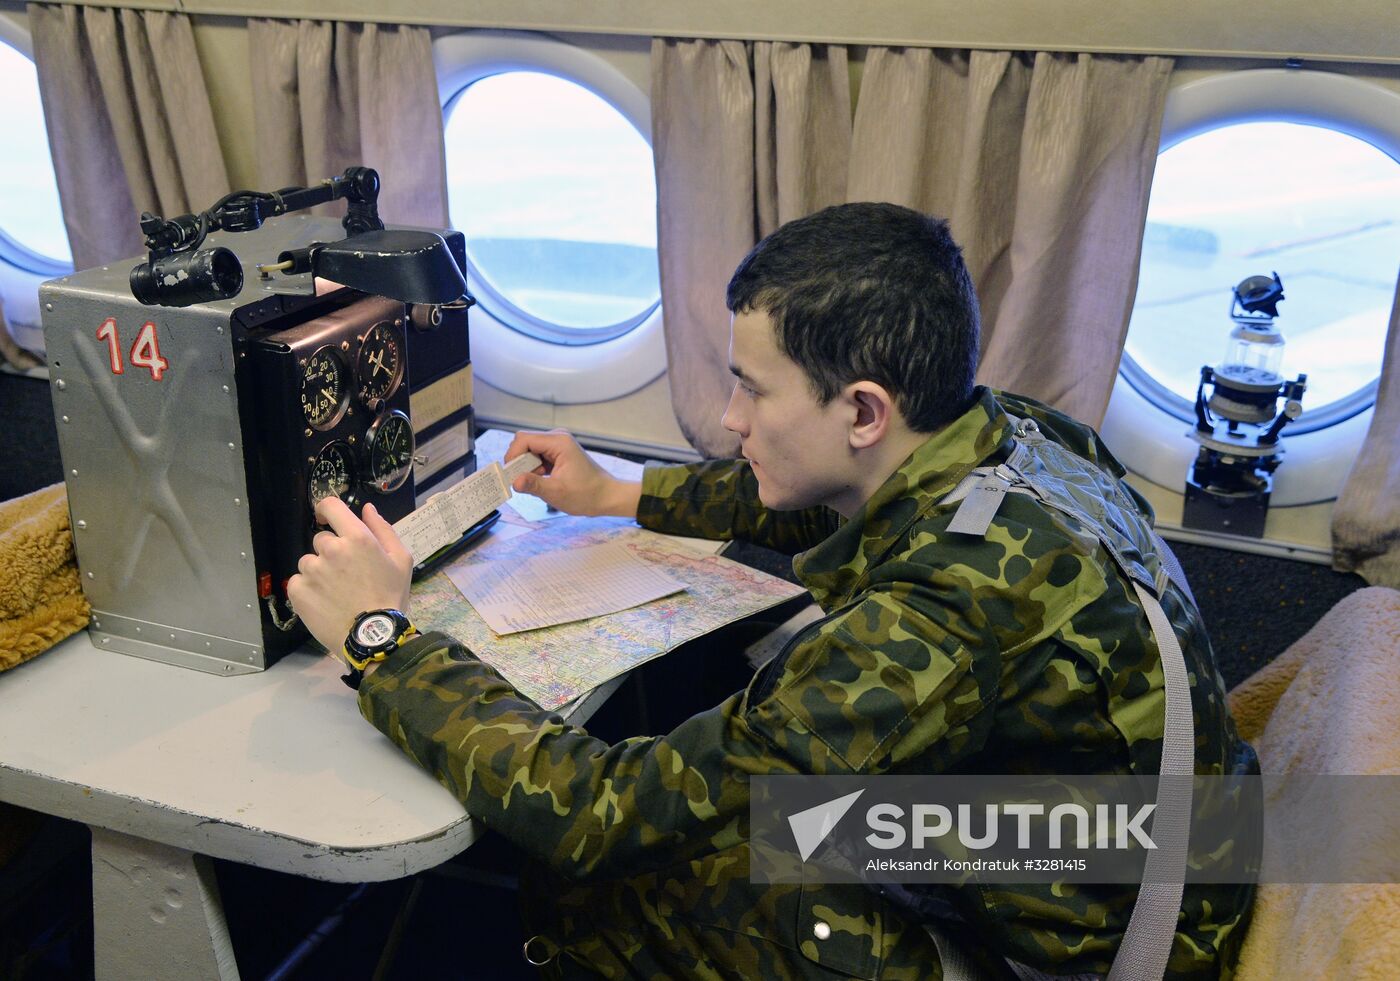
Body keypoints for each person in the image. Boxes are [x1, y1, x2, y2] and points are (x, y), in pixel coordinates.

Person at [288, 202, 1257, 979]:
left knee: (642, 872)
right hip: (1119, 843)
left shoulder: (939, 621)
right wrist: (619, 494)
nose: (726, 415)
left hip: (1090, 944)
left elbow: (598, 812)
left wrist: (382, 639)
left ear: (862, 409)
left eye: (753, 389)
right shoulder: (1011, 435)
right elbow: (835, 497)